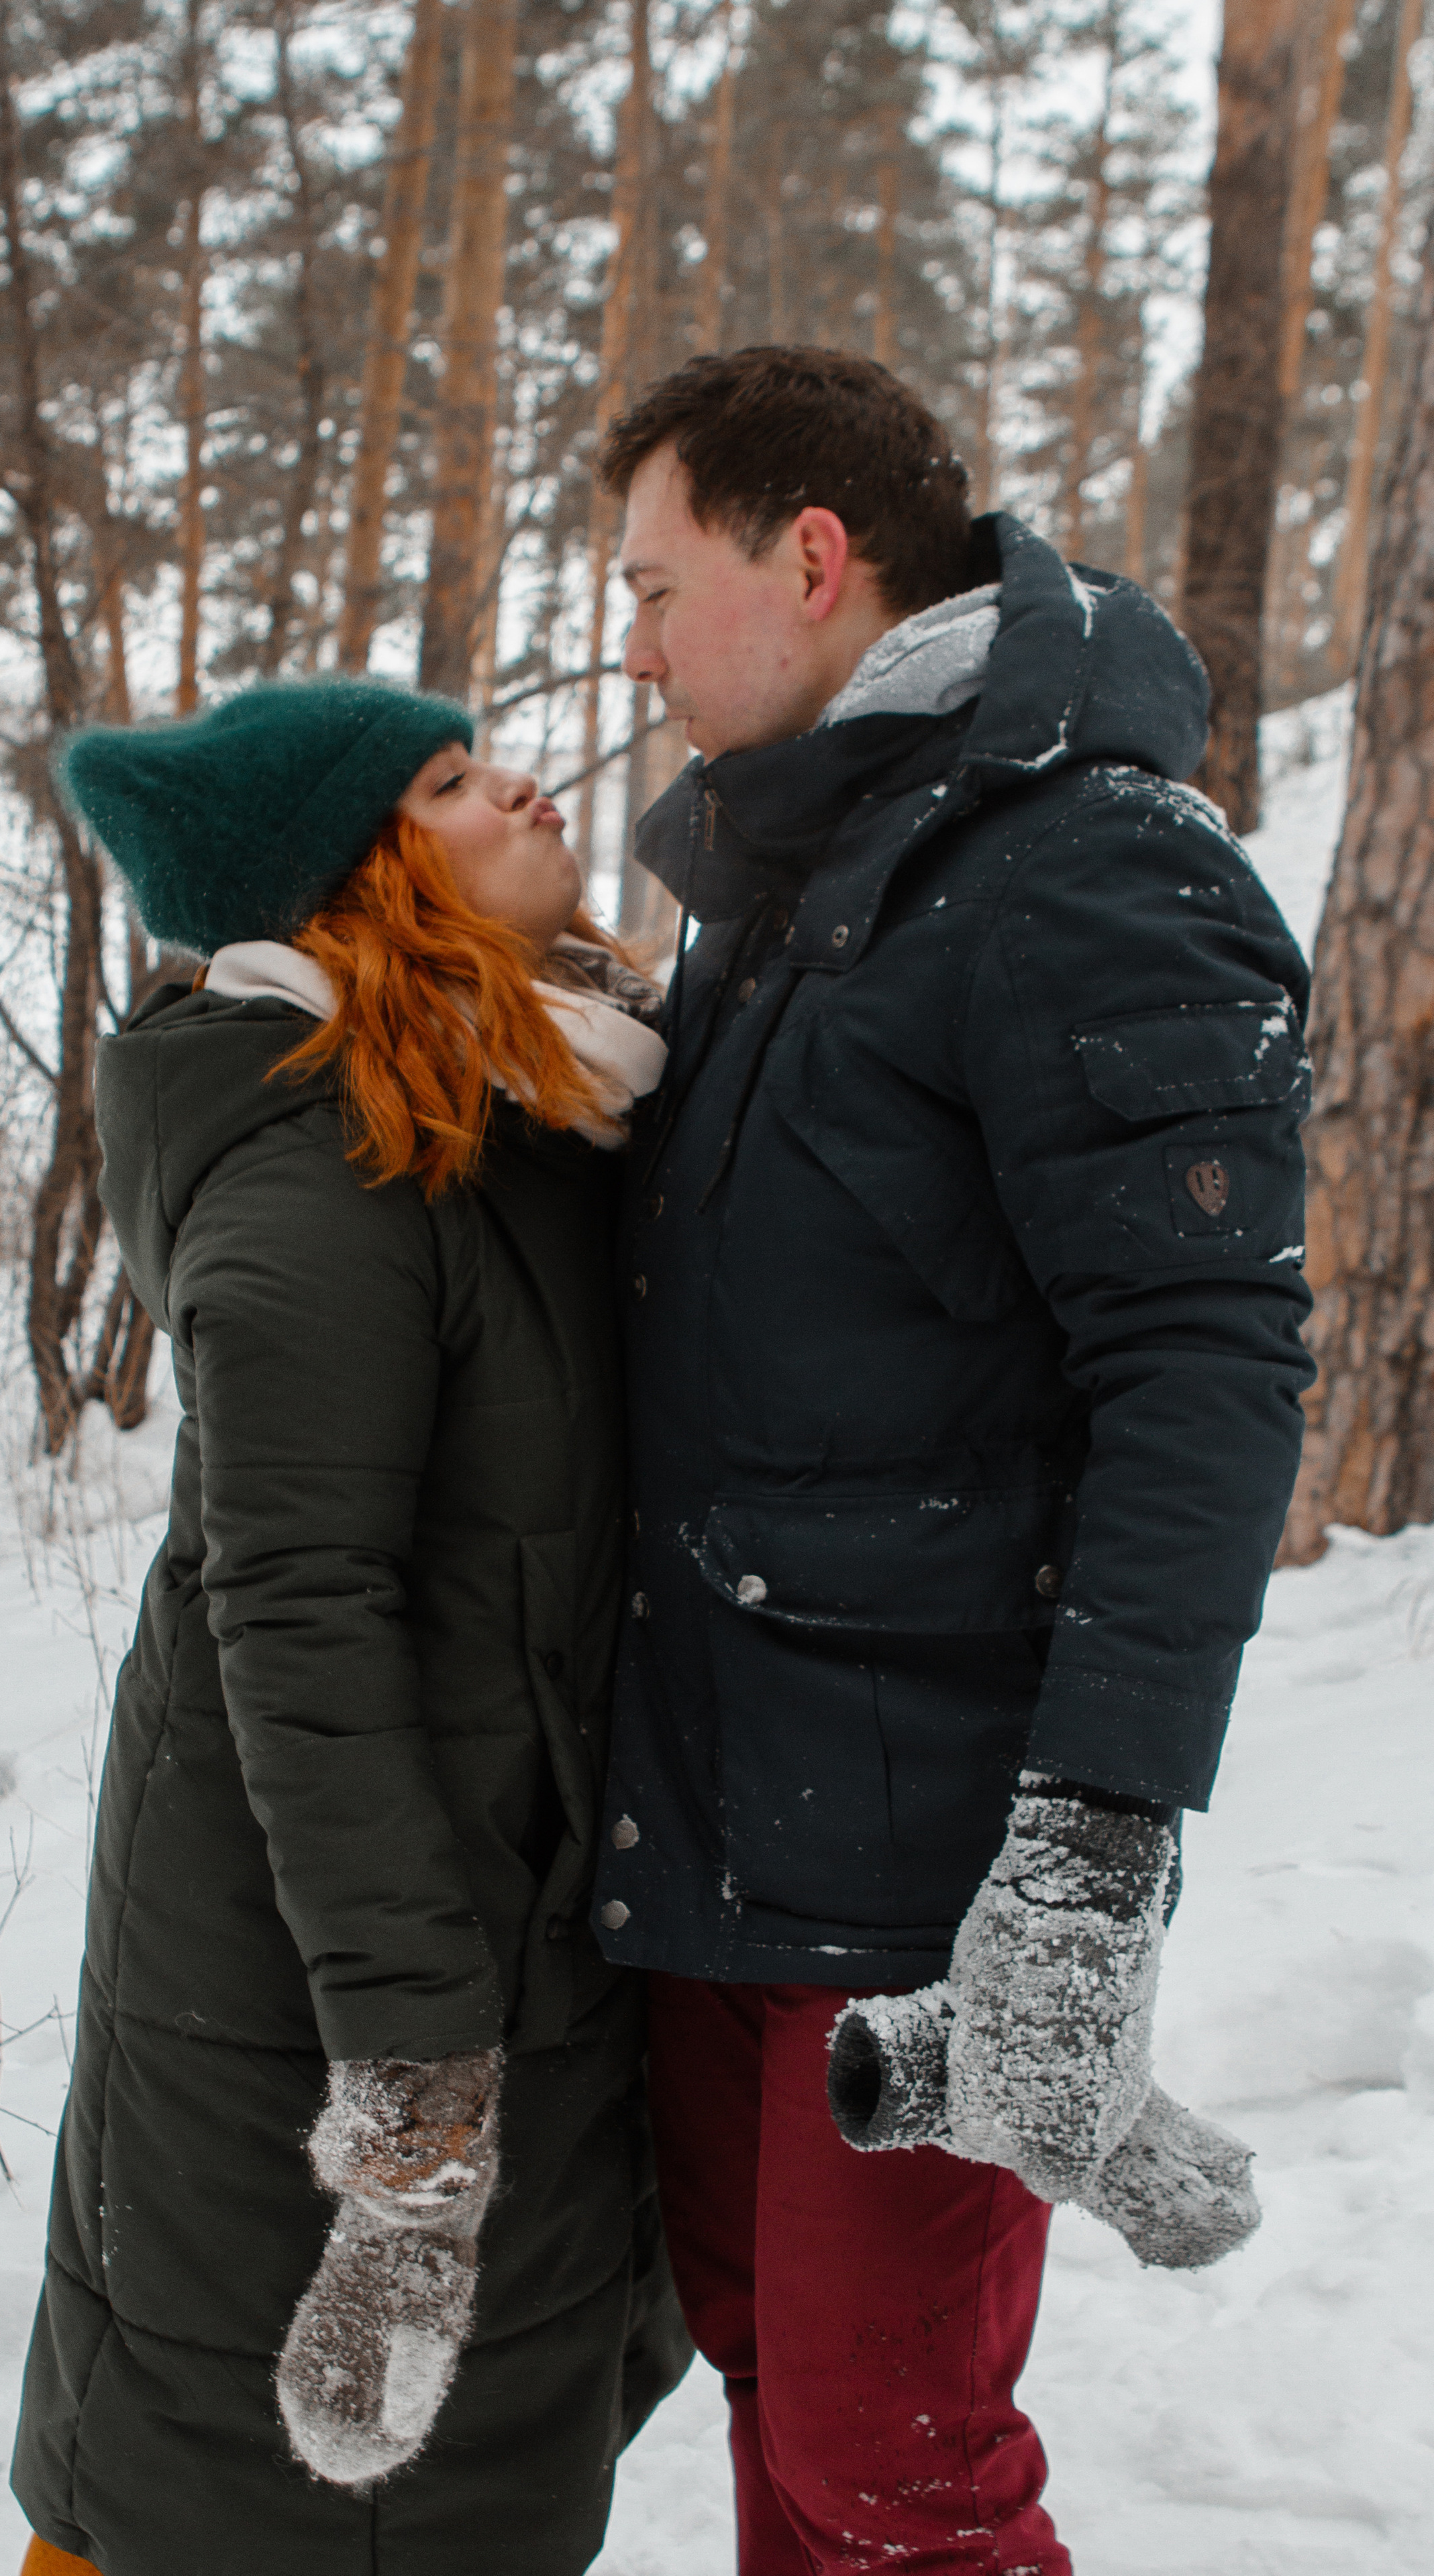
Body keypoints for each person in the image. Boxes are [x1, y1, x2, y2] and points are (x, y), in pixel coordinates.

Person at [586, 346, 1314, 2575]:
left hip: (923, 1863)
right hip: (713, 1811)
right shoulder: (787, 886)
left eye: (654, 581)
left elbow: (1205, 1375)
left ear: (811, 561)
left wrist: (1091, 1858)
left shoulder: (1091, 867)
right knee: (776, 2393)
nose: (631, 642)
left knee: (892, 2459)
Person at [10, 675, 690, 2576]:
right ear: (359, 885)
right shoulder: (321, 1183)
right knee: (245, 2503)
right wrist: (413, 2105)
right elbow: (298, 1625)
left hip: (486, 1931)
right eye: (457, 784)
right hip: (325, 1989)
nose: (523, 787)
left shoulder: (513, 1111)